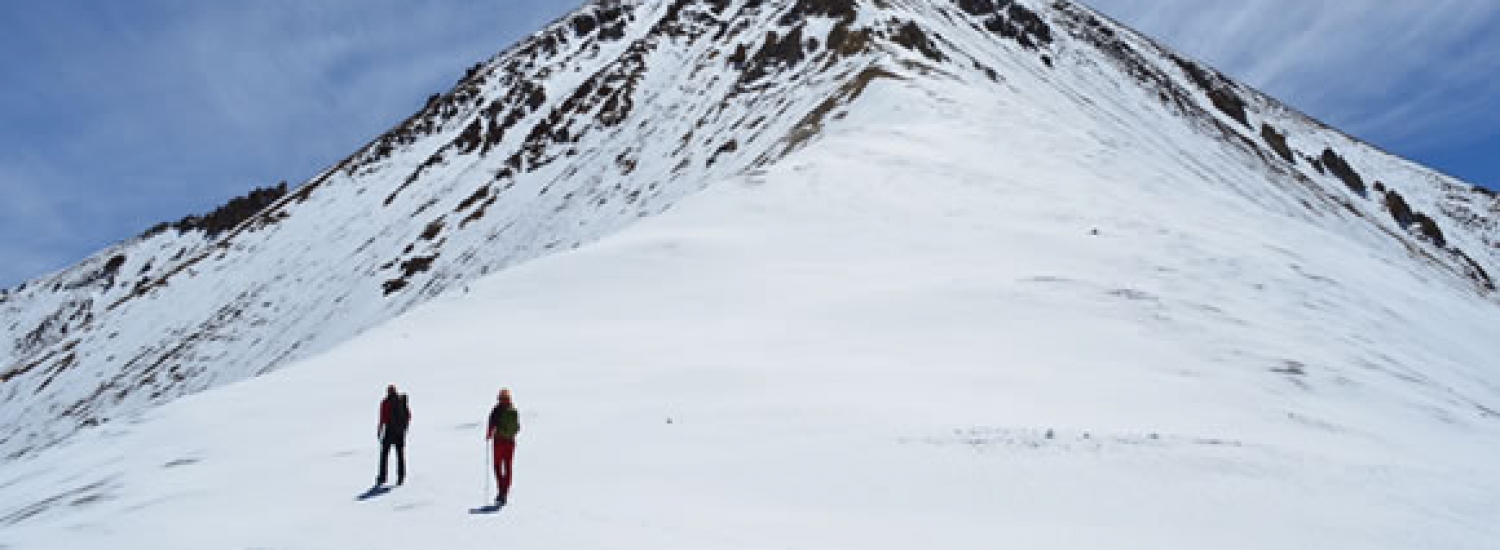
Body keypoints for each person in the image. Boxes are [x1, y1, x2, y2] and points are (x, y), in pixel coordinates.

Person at [486, 388, 521, 504]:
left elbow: (491, 428)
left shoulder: (497, 410)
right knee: (508, 466)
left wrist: (489, 435)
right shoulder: (514, 411)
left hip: (499, 442)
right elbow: (517, 428)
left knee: (497, 466)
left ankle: (501, 491)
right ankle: (505, 492)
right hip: (510, 442)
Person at [377, 385, 412, 486]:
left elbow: (382, 418)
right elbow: (409, 415)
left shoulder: (385, 402)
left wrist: (379, 430)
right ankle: (401, 476)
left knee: (384, 454)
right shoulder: (401, 402)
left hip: (389, 431)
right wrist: (404, 428)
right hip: (400, 433)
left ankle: (382, 477)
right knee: (400, 454)